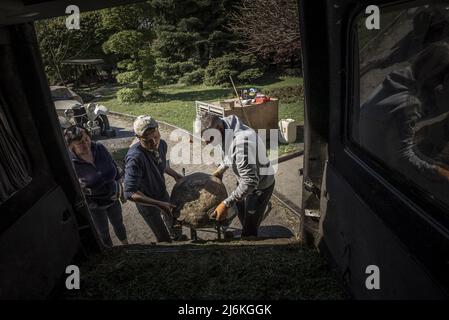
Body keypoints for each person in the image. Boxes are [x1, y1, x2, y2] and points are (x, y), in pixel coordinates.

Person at [359, 42, 449, 193]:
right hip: (376, 170)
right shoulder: (410, 103)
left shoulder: (399, 78)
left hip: (365, 149)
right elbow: (401, 159)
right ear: (436, 77)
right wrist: (439, 172)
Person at [201, 114, 275, 237]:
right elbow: (229, 154)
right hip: (244, 179)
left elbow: (250, 181)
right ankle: (246, 225)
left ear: (219, 129)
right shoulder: (226, 126)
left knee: (249, 228)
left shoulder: (240, 144)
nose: (208, 143)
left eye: (210, 139)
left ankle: (249, 240)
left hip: (259, 187)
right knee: (242, 212)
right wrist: (220, 171)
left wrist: (226, 203)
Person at [64, 125, 128, 247]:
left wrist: (120, 186)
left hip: (112, 197)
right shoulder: (70, 163)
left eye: (87, 139)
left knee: (119, 224)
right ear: (71, 146)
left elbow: (113, 165)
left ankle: (127, 246)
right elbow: (73, 188)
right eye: (80, 143)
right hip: (94, 205)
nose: (86, 144)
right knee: (103, 232)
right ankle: (110, 255)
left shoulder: (99, 147)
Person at [124, 115, 184, 242]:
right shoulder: (135, 158)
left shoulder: (162, 144)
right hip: (147, 203)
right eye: (147, 140)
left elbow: (160, 163)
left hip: (162, 194)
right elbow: (129, 192)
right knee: (163, 237)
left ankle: (178, 239)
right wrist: (159, 205)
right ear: (138, 138)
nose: (154, 143)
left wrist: (175, 175)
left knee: (175, 223)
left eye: (156, 137)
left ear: (158, 130)